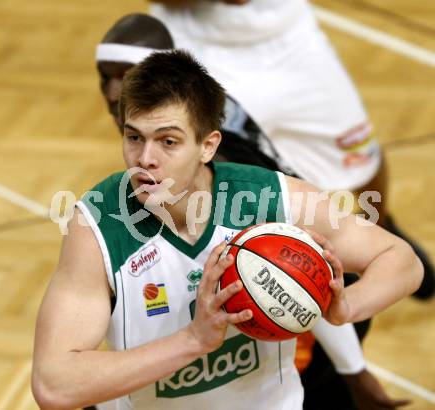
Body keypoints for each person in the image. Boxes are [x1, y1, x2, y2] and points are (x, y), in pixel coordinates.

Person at [32, 49, 423, 410]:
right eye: (134, 137)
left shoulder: (267, 198)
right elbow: (54, 384)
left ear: (208, 145)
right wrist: (192, 341)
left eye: (168, 141)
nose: (145, 159)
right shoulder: (100, 224)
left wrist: (346, 308)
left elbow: (402, 261)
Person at [150, 0, 434, 300]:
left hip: (288, 38)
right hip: (202, 49)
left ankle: (380, 233)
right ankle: (237, 271)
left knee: (359, 150)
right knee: (216, 174)